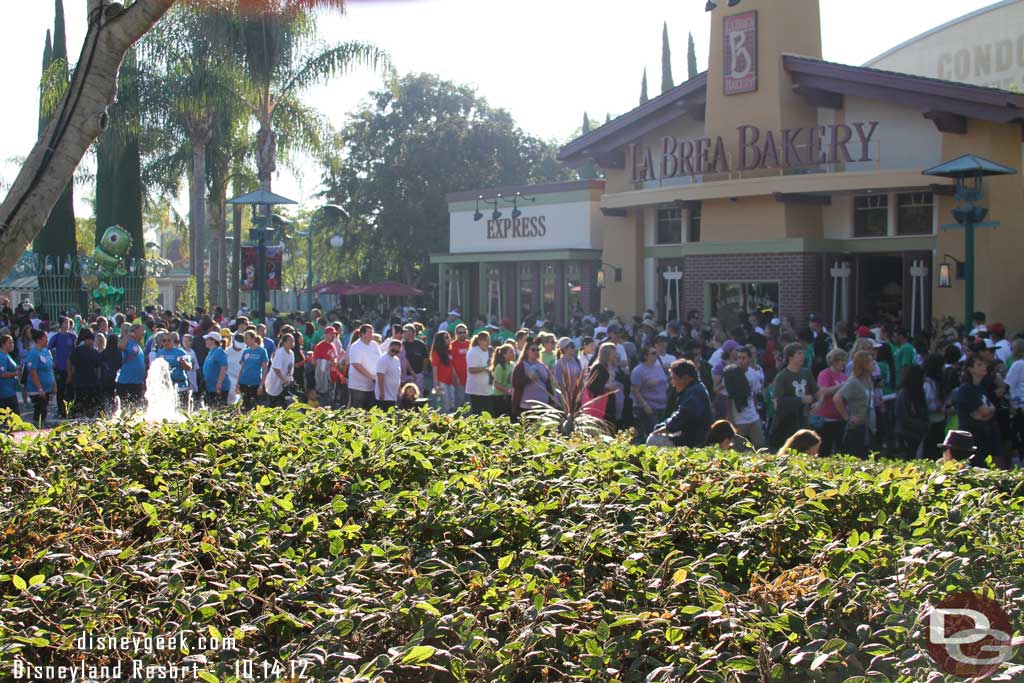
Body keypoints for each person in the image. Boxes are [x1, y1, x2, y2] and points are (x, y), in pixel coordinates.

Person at [646, 359, 712, 448]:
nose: (673, 383)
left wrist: (666, 427)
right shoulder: (694, 389)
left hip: (694, 441)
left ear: (685, 378)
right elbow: (678, 415)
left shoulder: (695, 393)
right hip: (689, 436)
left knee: (654, 439)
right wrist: (663, 425)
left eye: (674, 378)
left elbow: (683, 416)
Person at [771, 342, 820, 449]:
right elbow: (777, 404)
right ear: (790, 357)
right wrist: (800, 400)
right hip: (787, 422)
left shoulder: (806, 373)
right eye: (799, 353)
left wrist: (818, 404)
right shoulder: (782, 376)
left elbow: (817, 393)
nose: (803, 356)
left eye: (802, 353)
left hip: (804, 418)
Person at [954, 356, 997, 467]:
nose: (984, 367)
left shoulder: (981, 389)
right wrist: (988, 411)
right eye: (979, 365)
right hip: (969, 438)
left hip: (983, 437)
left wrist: (989, 411)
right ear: (970, 369)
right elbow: (981, 412)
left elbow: (988, 412)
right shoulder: (966, 389)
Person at [834, 351, 877, 459]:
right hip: (857, 429)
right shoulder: (854, 382)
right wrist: (847, 417)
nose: (874, 363)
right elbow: (837, 398)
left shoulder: (868, 380)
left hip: (869, 427)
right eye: (871, 361)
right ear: (863, 365)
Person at [726, 346, 766, 451]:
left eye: (743, 358)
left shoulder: (753, 374)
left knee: (760, 443)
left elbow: (754, 395)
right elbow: (729, 397)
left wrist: (756, 412)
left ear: (749, 359)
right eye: (738, 358)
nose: (740, 361)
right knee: (737, 447)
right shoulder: (730, 374)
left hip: (752, 415)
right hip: (738, 417)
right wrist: (730, 417)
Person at [631, 345, 668, 444]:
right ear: (645, 356)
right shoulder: (638, 370)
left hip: (662, 406)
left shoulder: (658, 367)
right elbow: (635, 390)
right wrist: (645, 405)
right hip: (648, 407)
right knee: (653, 434)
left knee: (661, 434)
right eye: (653, 353)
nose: (656, 355)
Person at [815, 348, 849, 457]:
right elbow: (823, 391)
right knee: (825, 449)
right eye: (841, 360)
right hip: (827, 419)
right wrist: (842, 386)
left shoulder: (844, 376)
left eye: (845, 360)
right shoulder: (825, 374)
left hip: (841, 417)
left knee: (841, 450)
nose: (843, 363)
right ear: (833, 361)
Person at [586, 342, 627, 428]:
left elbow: (624, 380)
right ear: (606, 354)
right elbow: (591, 386)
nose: (615, 355)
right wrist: (607, 387)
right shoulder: (598, 367)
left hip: (613, 399)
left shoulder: (615, 366)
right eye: (613, 353)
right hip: (602, 401)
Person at [511, 338, 554, 418]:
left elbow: (548, 385)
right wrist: (528, 378)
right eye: (533, 350)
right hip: (526, 407)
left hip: (543, 406)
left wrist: (552, 400)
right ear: (527, 351)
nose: (536, 352)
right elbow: (515, 384)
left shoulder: (542, 366)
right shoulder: (521, 366)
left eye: (537, 350)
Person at [67, 328, 105, 418]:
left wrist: (70, 376)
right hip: (88, 383)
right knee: (89, 407)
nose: (92, 342)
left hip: (81, 383)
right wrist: (98, 380)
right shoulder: (92, 352)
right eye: (91, 340)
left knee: (81, 406)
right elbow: (98, 369)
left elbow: (70, 363)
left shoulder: (76, 351)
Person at [895, 364, 929, 459]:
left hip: (918, 435)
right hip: (906, 435)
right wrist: (922, 425)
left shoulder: (920, 392)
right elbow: (903, 418)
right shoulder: (903, 394)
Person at [155, 332, 193, 413]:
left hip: (180, 384)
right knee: (167, 411)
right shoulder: (160, 353)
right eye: (164, 340)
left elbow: (189, 368)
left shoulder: (180, 352)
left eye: (169, 340)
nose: (166, 342)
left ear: (173, 341)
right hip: (166, 385)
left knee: (183, 410)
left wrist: (183, 362)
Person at [24, 329, 55, 427]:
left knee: (44, 410)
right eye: (45, 338)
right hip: (37, 389)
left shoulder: (46, 351)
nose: (47, 340)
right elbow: (33, 372)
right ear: (39, 340)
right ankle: (36, 430)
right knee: (40, 411)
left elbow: (50, 368)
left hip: (47, 387)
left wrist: (54, 384)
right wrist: (39, 388)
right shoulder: (33, 353)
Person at [347, 324, 382, 409]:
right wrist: (371, 376)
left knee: (369, 410)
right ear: (362, 334)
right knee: (356, 410)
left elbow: (380, 359)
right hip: (358, 386)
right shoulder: (356, 346)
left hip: (371, 386)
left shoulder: (374, 345)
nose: (372, 334)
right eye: (369, 332)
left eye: (372, 332)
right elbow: (356, 365)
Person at [48, 317, 77, 418]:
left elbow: (76, 350)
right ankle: (61, 410)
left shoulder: (73, 336)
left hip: (70, 367)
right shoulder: (56, 337)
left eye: (68, 322)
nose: (67, 324)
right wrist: (53, 360)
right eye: (65, 322)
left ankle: (71, 409)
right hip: (60, 366)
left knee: (71, 389)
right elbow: (48, 348)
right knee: (60, 389)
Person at [116, 324, 147, 411]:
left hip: (137, 383)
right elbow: (120, 347)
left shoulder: (138, 345)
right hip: (127, 382)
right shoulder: (128, 342)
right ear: (135, 332)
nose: (143, 333)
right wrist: (127, 336)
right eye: (141, 331)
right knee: (126, 409)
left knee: (136, 409)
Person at [238, 330, 269, 412]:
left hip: (255, 383)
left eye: (247, 338)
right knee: (244, 406)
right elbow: (241, 368)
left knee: (254, 406)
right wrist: (237, 383)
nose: (245, 340)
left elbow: (265, 369)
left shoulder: (262, 351)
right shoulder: (246, 351)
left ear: (253, 339)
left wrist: (261, 385)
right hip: (244, 382)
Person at [264, 333, 296, 408]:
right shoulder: (280, 352)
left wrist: (289, 379)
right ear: (284, 342)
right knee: (273, 404)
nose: (292, 342)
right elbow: (276, 368)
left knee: (283, 404)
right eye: (290, 341)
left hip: (284, 383)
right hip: (275, 381)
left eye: (293, 340)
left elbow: (290, 367)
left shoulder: (291, 353)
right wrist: (283, 379)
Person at [465, 331, 492, 415]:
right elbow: (471, 369)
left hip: (488, 389)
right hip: (476, 390)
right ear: (480, 341)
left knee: (489, 413)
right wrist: (485, 369)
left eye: (488, 340)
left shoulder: (490, 350)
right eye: (485, 340)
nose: (488, 342)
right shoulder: (473, 352)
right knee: (477, 414)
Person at [430, 331, 457, 413]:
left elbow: (452, 366)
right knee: (445, 403)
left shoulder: (449, 351)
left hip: (450, 381)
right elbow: (435, 369)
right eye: (446, 337)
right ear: (440, 340)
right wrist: (436, 385)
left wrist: (456, 378)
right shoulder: (436, 353)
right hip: (442, 381)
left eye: (448, 337)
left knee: (452, 400)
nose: (449, 339)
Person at [202, 331, 230, 408]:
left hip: (218, 387)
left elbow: (224, 367)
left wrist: (219, 383)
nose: (205, 341)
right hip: (210, 387)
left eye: (207, 339)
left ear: (213, 340)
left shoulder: (219, 351)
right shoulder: (211, 352)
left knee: (219, 409)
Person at [374, 339, 403, 410]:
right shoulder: (383, 359)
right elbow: (380, 376)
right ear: (389, 347)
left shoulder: (396, 360)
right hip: (385, 396)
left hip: (393, 395)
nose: (394, 353)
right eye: (393, 350)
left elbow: (397, 376)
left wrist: (399, 390)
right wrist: (381, 392)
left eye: (397, 351)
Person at [490, 343, 516, 417]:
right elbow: (496, 384)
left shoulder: (512, 364)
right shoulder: (500, 367)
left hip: (509, 397)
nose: (513, 354)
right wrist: (508, 391)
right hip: (500, 397)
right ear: (504, 355)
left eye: (513, 351)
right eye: (511, 352)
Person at [0, 334, 20, 427]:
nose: (12, 344)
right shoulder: (2, 357)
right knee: (14, 417)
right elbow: (2, 374)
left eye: (12, 342)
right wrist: (15, 373)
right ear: (3, 344)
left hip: (10, 390)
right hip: (5, 393)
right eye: (9, 342)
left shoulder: (7, 355)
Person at [402, 324, 429, 393]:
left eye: (405, 332)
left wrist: (423, 371)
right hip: (405, 375)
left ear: (412, 333)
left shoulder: (420, 344)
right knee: (406, 395)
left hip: (418, 374)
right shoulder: (402, 344)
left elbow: (425, 358)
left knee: (419, 394)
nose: (403, 334)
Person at [449, 324, 470, 409]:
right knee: (460, 402)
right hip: (458, 379)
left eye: (464, 332)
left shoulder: (470, 343)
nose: (462, 334)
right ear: (456, 334)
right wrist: (455, 377)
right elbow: (451, 363)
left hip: (470, 378)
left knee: (470, 403)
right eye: (460, 332)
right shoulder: (452, 345)